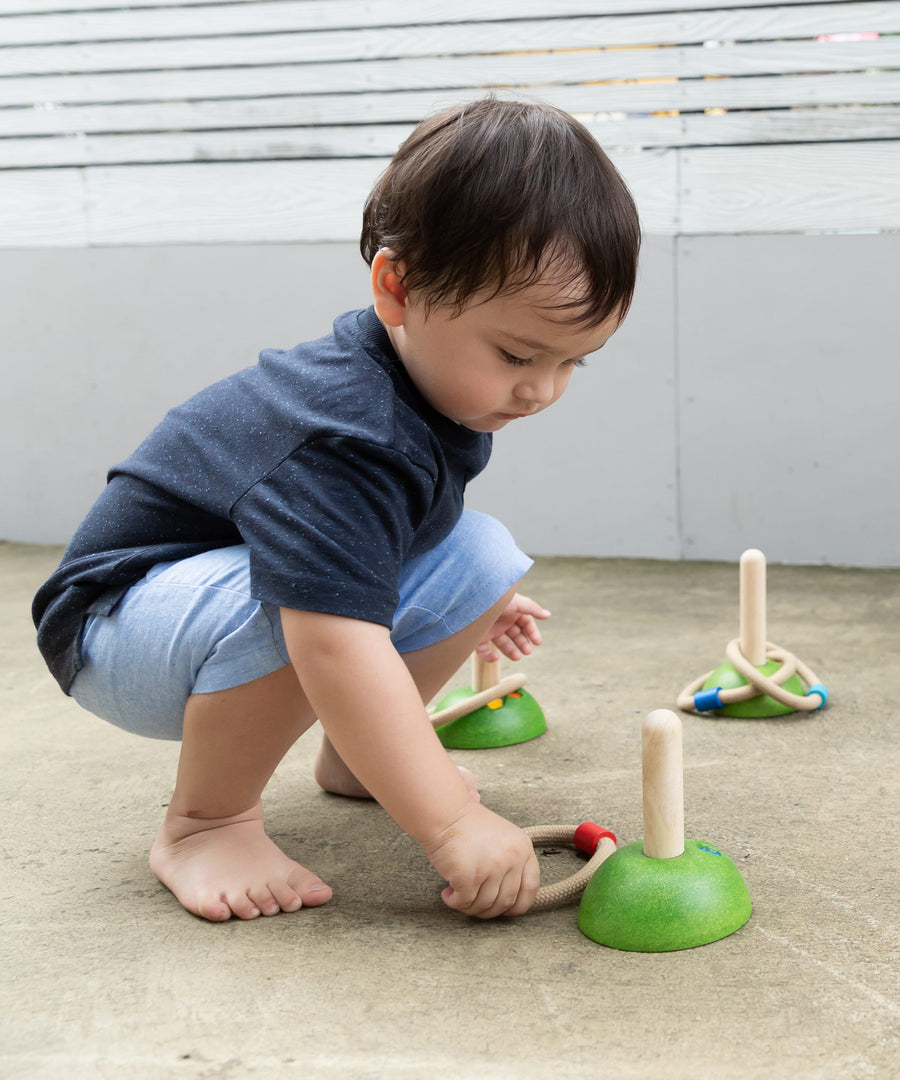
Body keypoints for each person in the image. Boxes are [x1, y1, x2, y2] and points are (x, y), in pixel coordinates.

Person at [33, 96, 641, 923]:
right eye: (518, 355)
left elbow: (393, 544)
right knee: (314, 615)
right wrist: (450, 821)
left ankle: (357, 761)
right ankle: (207, 822)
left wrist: (466, 596)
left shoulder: (433, 389)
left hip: (197, 608)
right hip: (113, 628)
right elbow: (329, 635)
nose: (541, 390)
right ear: (399, 287)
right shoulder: (346, 430)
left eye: (577, 362)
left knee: (483, 556)